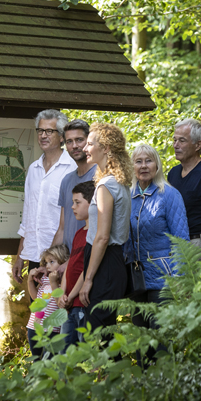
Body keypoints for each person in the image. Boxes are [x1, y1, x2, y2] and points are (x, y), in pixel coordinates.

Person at [126, 144, 189, 349]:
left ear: (157, 165)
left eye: (149, 160)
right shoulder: (127, 195)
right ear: (132, 166)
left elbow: (181, 240)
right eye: (138, 161)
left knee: (161, 339)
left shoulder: (169, 195)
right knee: (140, 340)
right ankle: (144, 380)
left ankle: (164, 379)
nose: (144, 166)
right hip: (135, 279)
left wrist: (180, 280)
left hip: (163, 278)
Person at [79, 123, 132, 333]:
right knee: (105, 331)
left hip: (106, 262)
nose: (85, 148)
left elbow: (102, 237)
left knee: (95, 330)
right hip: (112, 261)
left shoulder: (106, 186)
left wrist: (88, 279)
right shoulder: (119, 183)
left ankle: (107, 367)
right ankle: (117, 366)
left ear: (106, 148)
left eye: (90, 143)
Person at [12, 110, 76, 284]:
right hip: (35, 256)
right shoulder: (33, 169)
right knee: (38, 310)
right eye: (40, 131)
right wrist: (20, 256)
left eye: (49, 131)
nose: (43, 135)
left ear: (62, 137)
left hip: (61, 258)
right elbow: (27, 216)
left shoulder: (72, 168)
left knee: (59, 309)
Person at [168, 119, 201, 256]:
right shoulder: (173, 173)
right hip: (176, 243)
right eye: (174, 140)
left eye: (182, 141)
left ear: (197, 145)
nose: (176, 145)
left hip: (199, 243)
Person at [56, 181, 94, 351]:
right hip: (69, 303)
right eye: (72, 202)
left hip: (80, 303)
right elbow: (70, 266)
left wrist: (71, 296)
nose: (72, 207)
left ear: (92, 203)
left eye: (77, 202)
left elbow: (86, 270)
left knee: (82, 350)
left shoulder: (94, 234)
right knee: (63, 350)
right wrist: (62, 294)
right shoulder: (79, 233)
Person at [52, 119, 97, 252]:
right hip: (68, 260)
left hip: (89, 258)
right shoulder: (66, 180)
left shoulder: (101, 177)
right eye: (69, 141)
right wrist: (49, 260)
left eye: (79, 140)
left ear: (89, 142)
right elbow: (62, 227)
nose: (74, 146)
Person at [25, 244, 70, 359]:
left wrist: (54, 282)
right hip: (33, 326)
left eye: (52, 262)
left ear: (63, 262)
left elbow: (60, 303)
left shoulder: (64, 281)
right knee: (36, 358)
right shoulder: (45, 278)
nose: (47, 266)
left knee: (48, 360)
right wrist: (30, 280)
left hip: (51, 329)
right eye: (46, 262)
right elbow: (36, 298)